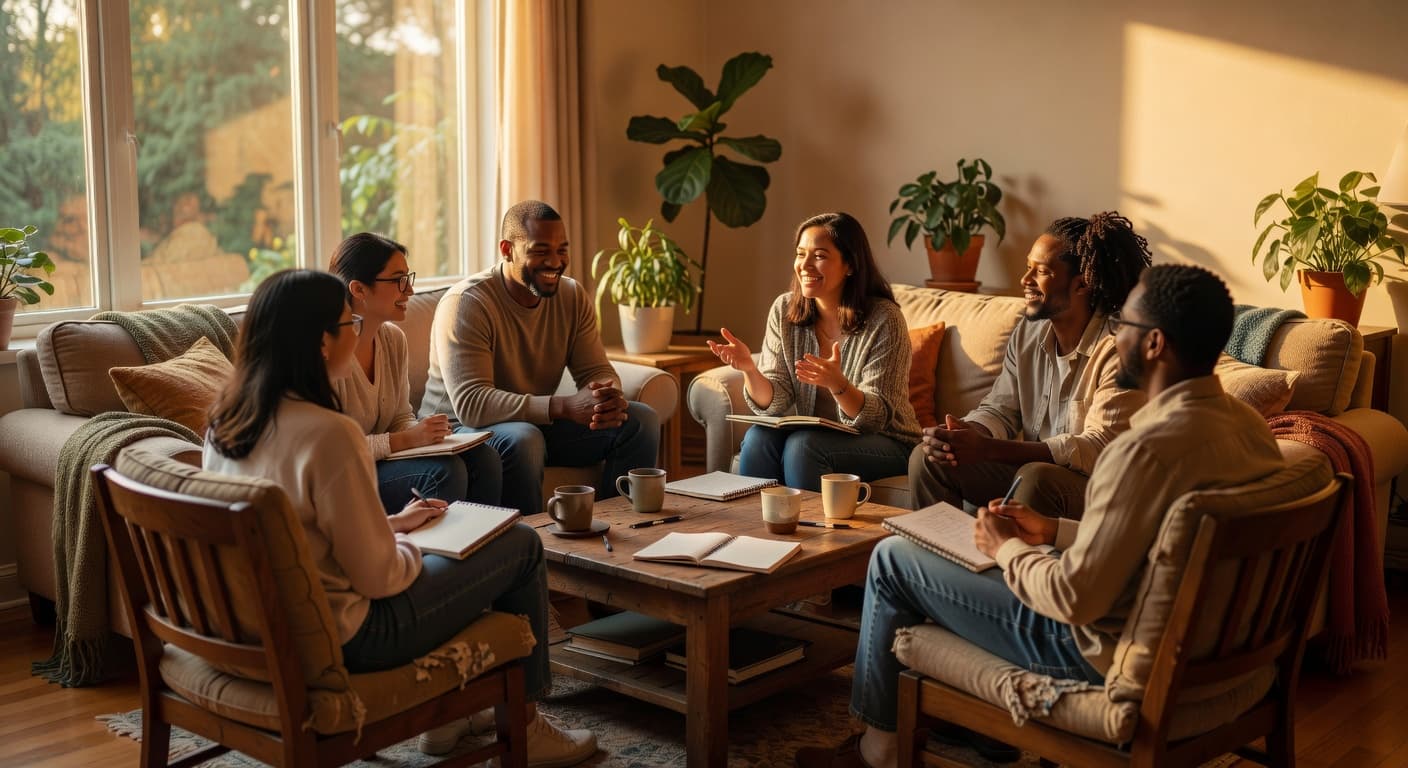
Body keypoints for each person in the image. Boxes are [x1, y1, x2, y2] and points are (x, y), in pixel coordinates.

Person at [795, 265, 1288, 768]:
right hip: (1219, 660)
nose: (1116, 338)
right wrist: (1052, 531)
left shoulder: (1144, 450)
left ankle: (879, 753)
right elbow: (1165, 546)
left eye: (1127, 327)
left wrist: (1005, 548)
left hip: (1102, 658)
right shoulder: (1251, 429)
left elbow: (1073, 598)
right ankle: (958, 721)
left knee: (895, 558)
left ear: (1155, 343)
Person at [204, 269, 597, 766]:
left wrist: (390, 526)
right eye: (349, 323)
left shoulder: (226, 424)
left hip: (263, 628)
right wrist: (425, 548)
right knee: (517, 544)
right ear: (322, 343)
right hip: (352, 638)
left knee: (471, 542)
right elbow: (381, 576)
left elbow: (292, 537)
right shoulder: (329, 435)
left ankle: (454, 716)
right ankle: (524, 722)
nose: (357, 332)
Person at [418, 200, 659, 515]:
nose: (555, 262)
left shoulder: (571, 296)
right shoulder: (467, 303)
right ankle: (534, 549)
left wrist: (605, 394)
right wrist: (564, 406)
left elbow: (595, 368)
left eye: (562, 250)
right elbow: (472, 405)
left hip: (530, 423)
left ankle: (617, 532)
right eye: (541, 251)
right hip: (458, 430)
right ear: (507, 250)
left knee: (639, 420)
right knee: (525, 439)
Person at [908, 212, 1151, 519]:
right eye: (1028, 268)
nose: (1025, 281)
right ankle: (942, 560)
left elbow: (1098, 447)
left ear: (1082, 284)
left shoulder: (1120, 348)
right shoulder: (1028, 331)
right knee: (930, 458)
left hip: (1103, 491)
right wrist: (962, 432)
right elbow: (1001, 409)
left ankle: (1018, 564)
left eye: (1042, 272)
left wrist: (988, 448)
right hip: (1035, 478)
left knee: (1037, 478)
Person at [708, 212, 921, 491]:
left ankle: (818, 534)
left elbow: (875, 417)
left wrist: (838, 385)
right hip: (819, 436)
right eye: (800, 254)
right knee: (759, 438)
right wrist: (749, 369)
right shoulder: (784, 310)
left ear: (850, 265)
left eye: (819, 255)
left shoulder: (885, 319)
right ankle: (755, 531)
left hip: (888, 442)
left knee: (803, 445)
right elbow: (777, 400)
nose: (805, 265)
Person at [327, 232, 502, 513]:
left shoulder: (392, 339)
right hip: (344, 476)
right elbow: (331, 451)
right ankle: (439, 556)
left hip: (384, 461)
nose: (409, 290)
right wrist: (406, 440)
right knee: (445, 472)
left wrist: (427, 435)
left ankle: (483, 549)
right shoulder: (328, 351)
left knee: (485, 458)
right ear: (359, 289)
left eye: (409, 278)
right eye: (398, 280)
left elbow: (399, 416)